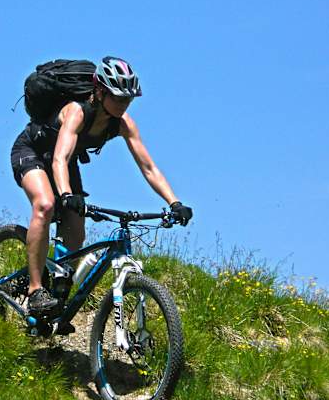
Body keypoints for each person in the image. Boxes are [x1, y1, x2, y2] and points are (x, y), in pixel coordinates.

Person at [10, 56, 193, 315]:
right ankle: (35, 289)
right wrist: (66, 194)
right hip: (33, 152)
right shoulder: (77, 111)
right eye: (117, 98)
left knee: (76, 230)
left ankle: (58, 289)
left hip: (64, 163)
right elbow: (60, 158)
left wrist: (174, 202)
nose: (123, 104)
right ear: (99, 91)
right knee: (45, 204)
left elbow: (149, 168)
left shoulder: (123, 123)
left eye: (127, 99)